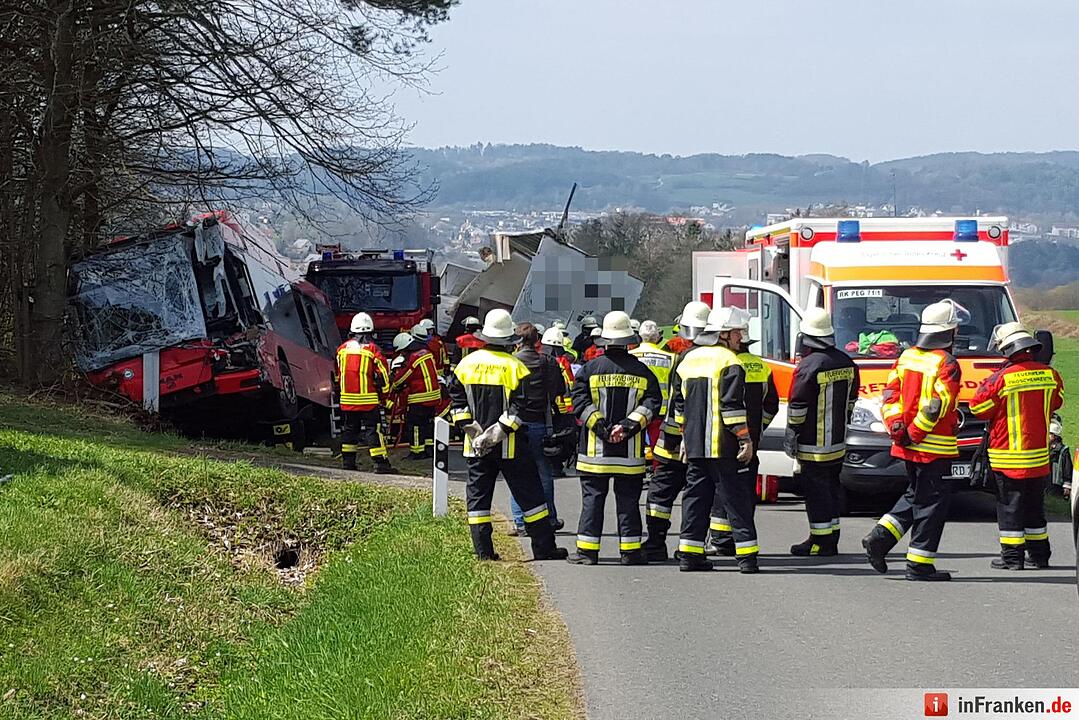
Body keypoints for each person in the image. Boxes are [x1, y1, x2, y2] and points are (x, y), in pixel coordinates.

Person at [447, 309, 568, 561]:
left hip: (475, 448)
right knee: (532, 497)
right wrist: (496, 434)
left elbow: (457, 405)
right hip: (511, 445)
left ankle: (483, 551)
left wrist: (475, 433)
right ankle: (543, 548)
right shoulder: (516, 367)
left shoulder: (465, 365)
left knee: (478, 499)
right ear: (508, 338)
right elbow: (520, 409)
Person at [862, 300, 964, 581]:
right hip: (933, 447)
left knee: (914, 497)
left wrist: (898, 430)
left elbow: (890, 396)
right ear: (949, 332)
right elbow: (936, 405)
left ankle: (880, 539)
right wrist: (915, 434)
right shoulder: (947, 363)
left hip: (906, 444)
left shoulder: (906, 357)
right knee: (932, 505)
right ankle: (919, 564)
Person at [568, 311, 662, 566]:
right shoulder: (643, 372)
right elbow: (653, 403)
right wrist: (627, 427)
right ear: (628, 341)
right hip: (629, 455)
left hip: (594, 454)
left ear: (605, 341)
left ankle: (587, 553)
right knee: (629, 503)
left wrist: (601, 427)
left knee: (592, 501)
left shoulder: (589, 369)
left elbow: (579, 402)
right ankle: (630, 552)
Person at [970, 323, 1064, 570]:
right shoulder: (1049, 375)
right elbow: (1058, 402)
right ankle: (1040, 556)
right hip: (1039, 458)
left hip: (1008, 455)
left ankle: (1012, 559)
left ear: (1007, 349)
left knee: (1009, 507)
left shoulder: (1001, 378)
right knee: (1035, 508)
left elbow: (978, 409)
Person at [669, 307, 756, 573]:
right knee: (737, 501)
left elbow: (679, 406)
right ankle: (747, 559)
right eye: (738, 332)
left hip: (695, 446)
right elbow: (732, 408)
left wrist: (685, 439)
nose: (741, 337)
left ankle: (689, 555)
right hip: (724, 447)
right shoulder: (730, 361)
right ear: (725, 334)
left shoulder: (688, 360)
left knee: (695, 499)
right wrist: (745, 439)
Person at [783, 308, 858, 556]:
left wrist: (793, 432)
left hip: (813, 444)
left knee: (816, 494)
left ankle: (820, 542)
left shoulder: (809, 365)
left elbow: (797, 405)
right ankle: (831, 538)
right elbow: (851, 401)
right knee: (831, 490)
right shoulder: (846, 362)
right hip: (837, 442)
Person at [640, 300, 712, 562]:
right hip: (702, 438)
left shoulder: (685, 358)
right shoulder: (720, 357)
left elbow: (680, 400)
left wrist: (681, 431)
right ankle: (694, 545)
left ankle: (656, 543)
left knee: (661, 491)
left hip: (674, 436)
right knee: (698, 493)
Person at [708, 307, 780, 556]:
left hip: (724, 438)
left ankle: (720, 537)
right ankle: (743, 538)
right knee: (745, 490)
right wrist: (758, 428)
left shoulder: (723, 363)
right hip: (751, 441)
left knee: (722, 489)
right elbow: (771, 404)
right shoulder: (761, 367)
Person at [508, 322, 568, 534]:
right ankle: (549, 518)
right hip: (540, 422)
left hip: (512, 423)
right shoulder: (548, 362)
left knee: (516, 473)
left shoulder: (511, 362)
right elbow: (560, 390)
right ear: (537, 341)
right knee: (543, 472)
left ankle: (520, 521)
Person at [335, 312, 396, 474]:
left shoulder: (342, 350)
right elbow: (383, 376)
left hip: (347, 400)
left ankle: (348, 463)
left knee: (350, 430)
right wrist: (384, 397)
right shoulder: (373, 350)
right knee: (372, 430)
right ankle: (380, 463)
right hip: (368, 401)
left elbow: (339, 374)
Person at [391, 326, 443, 460]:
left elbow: (404, 376)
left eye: (402, 352)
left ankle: (417, 452)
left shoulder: (414, 358)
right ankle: (430, 449)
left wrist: (395, 385)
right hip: (434, 396)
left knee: (414, 425)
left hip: (420, 398)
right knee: (428, 424)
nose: (402, 354)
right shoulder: (426, 353)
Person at [630, 320, 676, 460]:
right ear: (657, 337)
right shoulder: (671, 357)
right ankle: (657, 473)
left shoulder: (630, 355)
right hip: (661, 410)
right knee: (658, 449)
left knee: (634, 448)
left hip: (635, 409)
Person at [541, 326, 578, 477]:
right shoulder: (563, 361)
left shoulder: (539, 358)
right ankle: (555, 465)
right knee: (561, 435)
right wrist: (569, 408)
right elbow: (570, 384)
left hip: (543, 405)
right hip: (560, 406)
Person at [1048, 417, 1072, 499]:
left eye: (1049, 434)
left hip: (1056, 484)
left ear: (1055, 436)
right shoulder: (1044, 449)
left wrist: (1067, 486)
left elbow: (1067, 468)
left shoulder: (1063, 450)